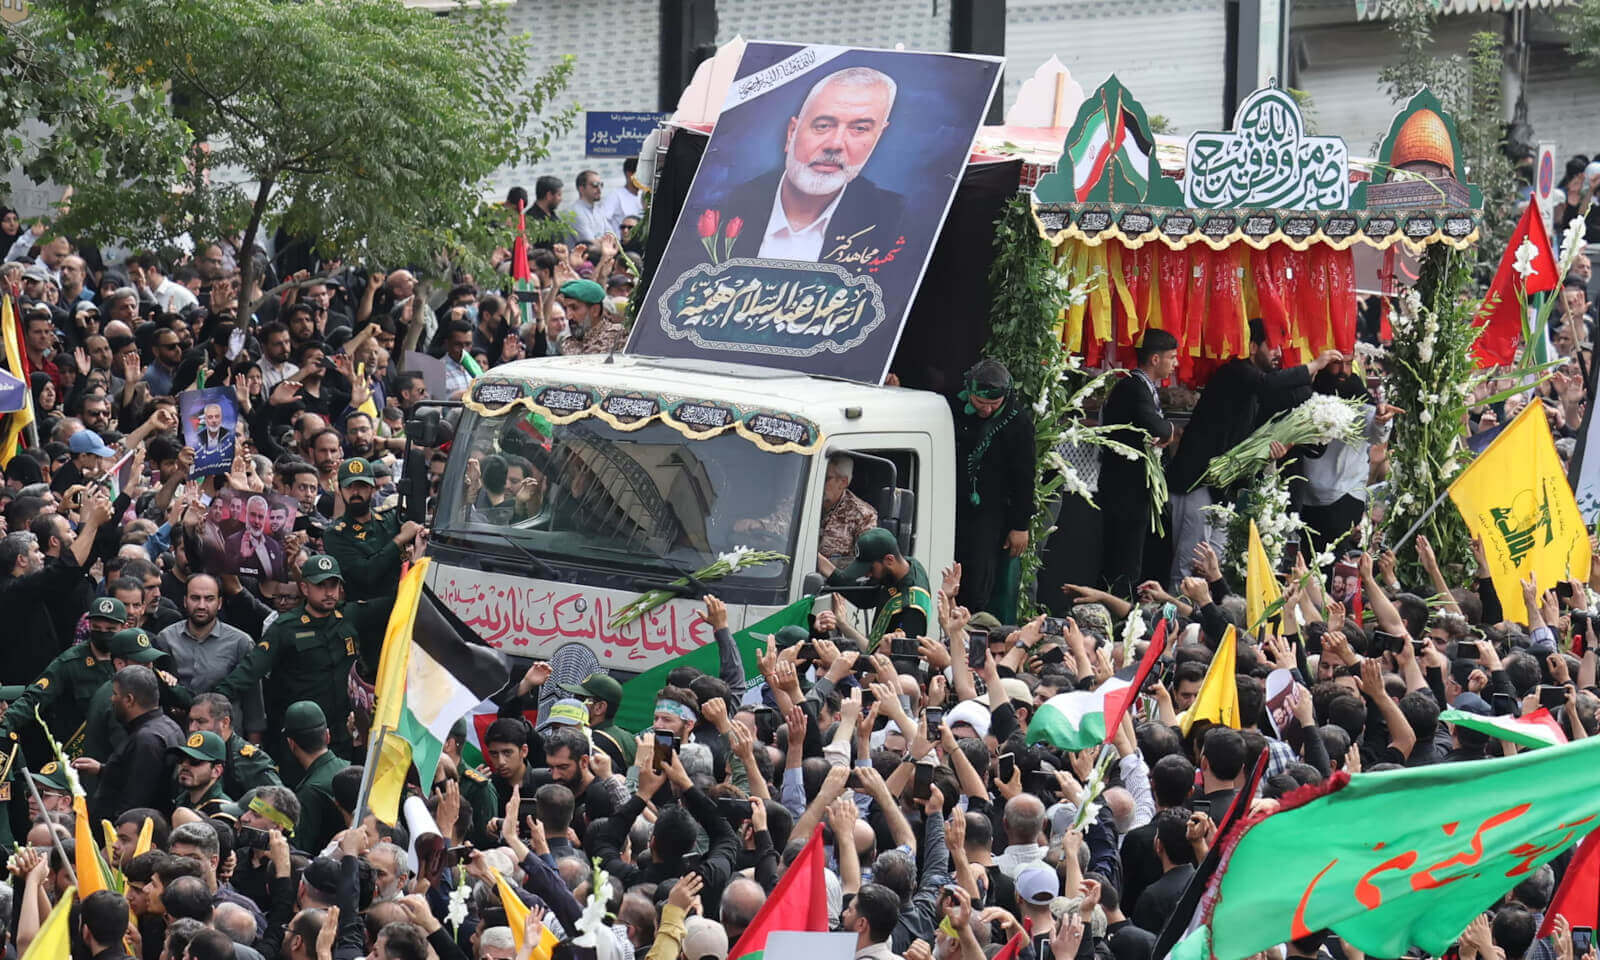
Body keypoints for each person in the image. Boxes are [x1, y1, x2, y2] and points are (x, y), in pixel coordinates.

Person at [1164, 321, 1342, 588]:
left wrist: (1270, 454)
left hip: (1221, 490)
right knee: (1190, 564)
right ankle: (1177, 623)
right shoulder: (1236, 372)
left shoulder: (1256, 388)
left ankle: (1204, 621)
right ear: (1251, 346)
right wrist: (1314, 365)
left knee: (1214, 566)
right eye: (1272, 346)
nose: (1278, 353)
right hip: (1196, 482)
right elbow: (1267, 383)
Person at [706, 67, 904, 266]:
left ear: (877, 138)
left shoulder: (898, 222)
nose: (835, 144)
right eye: (823, 125)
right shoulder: (719, 208)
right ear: (792, 133)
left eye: (859, 129)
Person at [950, 359, 1035, 613]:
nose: (985, 410)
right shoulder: (955, 408)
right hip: (953, 504)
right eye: (979, 402)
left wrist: (1021, 525)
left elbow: (1024, 477)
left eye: (993, 404)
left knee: (978, 577)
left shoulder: (1017, 422)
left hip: (990, 514)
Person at [1098, 329, 1177, 595]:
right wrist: (1168, 430)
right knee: (1123, 559)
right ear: (1155, 359)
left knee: (1130, 557)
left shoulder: (1142, 387)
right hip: (1125, 490)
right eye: (1172, 357)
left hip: (1132, 491)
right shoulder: (1133, 387)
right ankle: (1118, 610)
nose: (1175, 364)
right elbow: (1158, 428)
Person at [322, 457, 419, 602]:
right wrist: (399, 540)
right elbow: (366, 574)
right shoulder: (335, 534)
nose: (355, 492)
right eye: (349, 486)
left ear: (372, 488)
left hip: (404, 604)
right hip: (365, 613)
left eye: (361, 486)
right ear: (340, 490)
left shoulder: (392, 518)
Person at [823, 527, 931, 644]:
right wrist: (820, 562)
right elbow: (864, 597)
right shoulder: (906, 566)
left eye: (870, 568)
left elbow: (893, 660)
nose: (867, 574)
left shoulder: (911, 610)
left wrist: (843, 624)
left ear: (889, 560)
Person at [282, 700, 350, 855]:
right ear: (327, 736)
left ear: (291, 743)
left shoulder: (309, 792)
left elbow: (299, 849)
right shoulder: (351, 767)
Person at [817, 453, 879, 568]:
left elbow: (866, 564)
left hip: (834, 583)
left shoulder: (864, 515)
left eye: (826, 478)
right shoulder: (797, 502)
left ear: (843, 482)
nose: (818, 482)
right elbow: (774, 535)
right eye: (816, 476)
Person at [170, 730, 233, 816]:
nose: (184, 765)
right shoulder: (180, 800)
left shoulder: (222, 810)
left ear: (216, 771)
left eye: (194, 761)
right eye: (181, 759)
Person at [224, 495, 286, 581]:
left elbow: (279, 576)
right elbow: (226, 574)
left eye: (260, 517)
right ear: (246, 515)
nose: (256, 521)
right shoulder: (232, 541)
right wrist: (241, 558)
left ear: (265, 519)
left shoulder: (274, 545)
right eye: (253, 515)